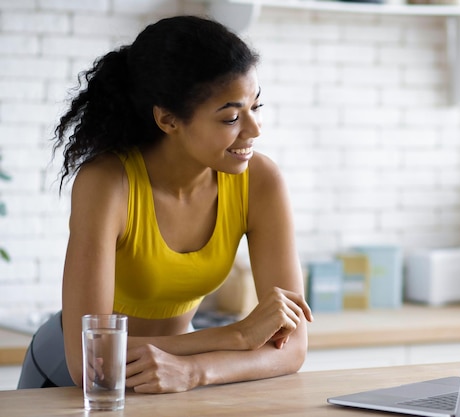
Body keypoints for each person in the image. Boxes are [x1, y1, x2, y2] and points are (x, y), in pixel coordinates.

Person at [17, 15, 313, 393]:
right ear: (169, 120)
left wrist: (195, 371)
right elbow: (90, 358)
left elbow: (292, 349)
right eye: (231, 117)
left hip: (172, 371)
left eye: (256, 107)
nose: (255, 129)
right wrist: (237, 337)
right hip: (66, 378)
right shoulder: (108, 183)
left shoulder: (261, 181)